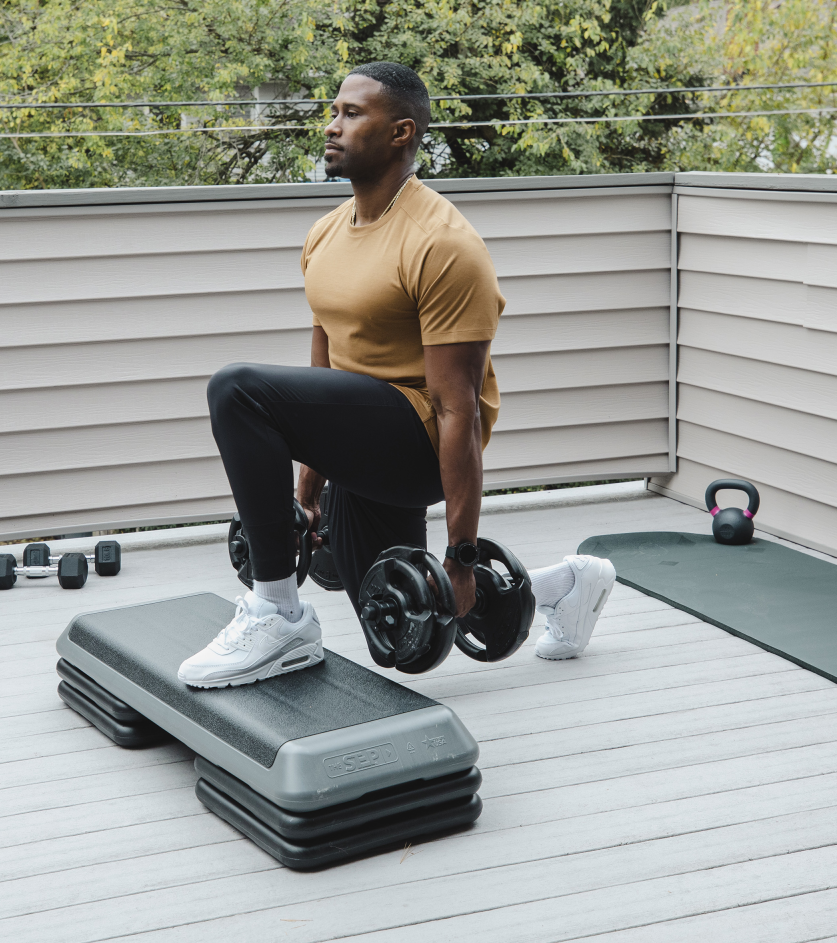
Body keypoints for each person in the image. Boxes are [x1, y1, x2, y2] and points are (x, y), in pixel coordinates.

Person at [178, 62, 615, 688]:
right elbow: (325, 373)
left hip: (417, 443)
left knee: (236, 389)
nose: (332, 126)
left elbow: (458, 408)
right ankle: (569, 585)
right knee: (404, 634)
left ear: (401, 132)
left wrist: (461, 555)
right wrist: (307, 497)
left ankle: (277, 613)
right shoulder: (324, 236)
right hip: (359, 434)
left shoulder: (444, 245)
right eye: (334, 111)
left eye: (352, 114)